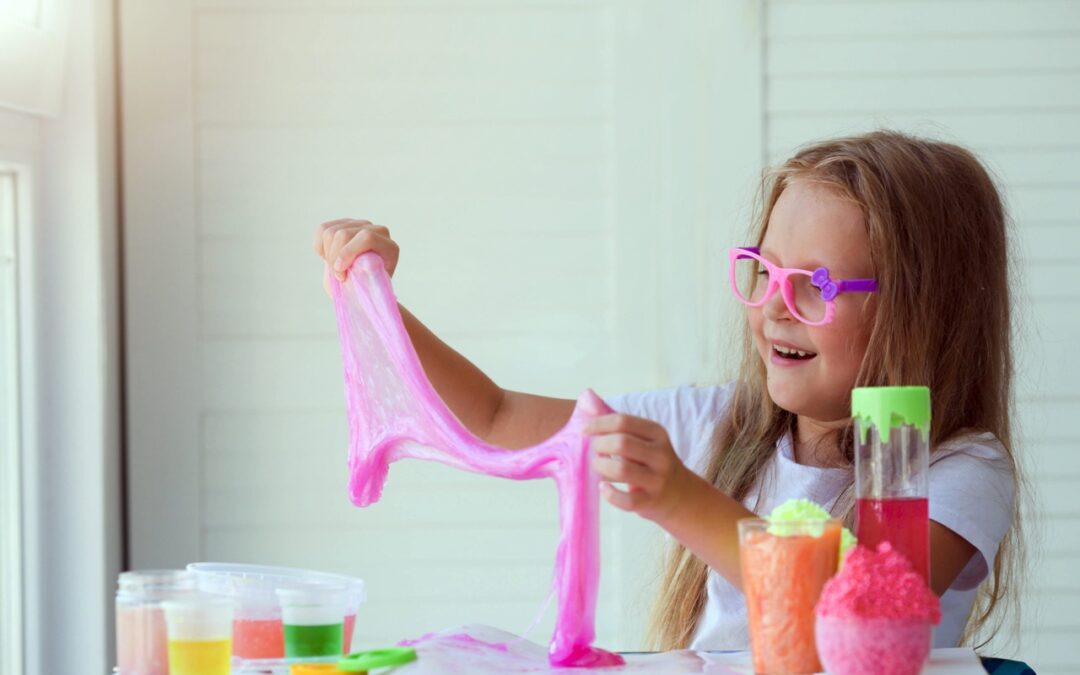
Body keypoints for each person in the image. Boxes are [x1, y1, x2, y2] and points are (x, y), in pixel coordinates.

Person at [313, 130, 1022, 652]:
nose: (774, 306)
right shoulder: (724, 423)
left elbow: (858, 608)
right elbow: (496, 416)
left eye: (816, 285)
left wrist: (683, 498)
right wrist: (377, 303)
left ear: (921, 307)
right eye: (763, 271)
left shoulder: (959, 470)